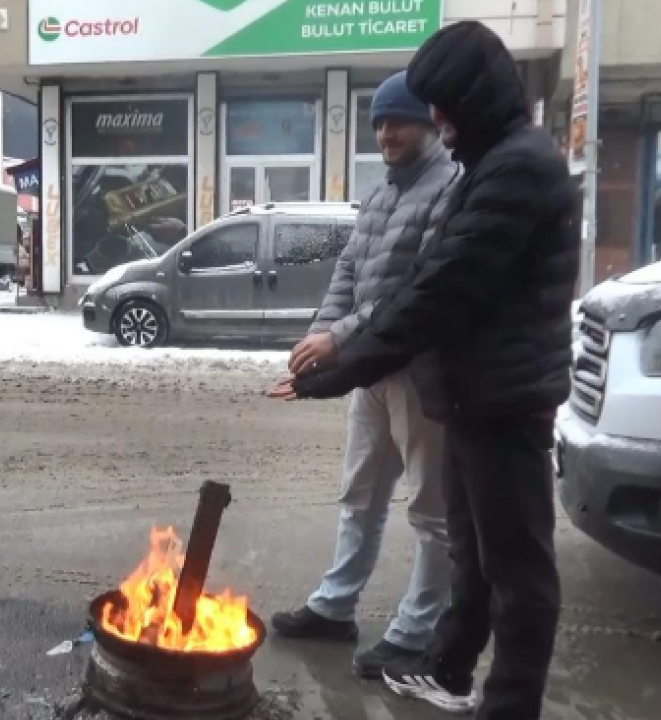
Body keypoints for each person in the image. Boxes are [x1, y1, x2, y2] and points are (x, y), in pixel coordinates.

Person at [268, 21, 578, 719]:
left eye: (435, 108)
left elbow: (433, 294)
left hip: (503, 399)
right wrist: (332, 343)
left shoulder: (515, 170)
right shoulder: (486, 165)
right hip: (469, 396)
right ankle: (447, 668)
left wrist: (333, 368)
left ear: (467, 100)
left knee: (516, 572)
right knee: (472, 556)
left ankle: (507, 703)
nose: (429, 120)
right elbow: (376, 278)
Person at [269, 70, 460, 681]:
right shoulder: (379, 195)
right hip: (373, 373)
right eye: (378, 122)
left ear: (430, 123)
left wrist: (340, 336)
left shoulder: (450, 188)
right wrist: (321, 334)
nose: (386, 132)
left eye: (399, 119)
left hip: (424, 374)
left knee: (431, 510)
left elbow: (418, 292)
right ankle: (334, 607)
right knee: (360, 496)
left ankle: (418, 630)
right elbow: (348, 274)